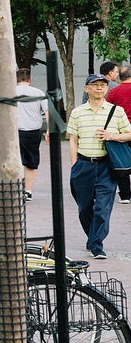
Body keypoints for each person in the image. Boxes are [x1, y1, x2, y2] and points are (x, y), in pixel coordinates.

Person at [68, 73, 131, 259]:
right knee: (84, 208)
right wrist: (74, 165)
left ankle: (97, 245)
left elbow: (129, 134)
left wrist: (112, 136)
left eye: (103, 85)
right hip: (83, 165)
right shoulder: (77, 112)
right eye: (95, 85)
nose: (99, 88)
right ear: (86, 88)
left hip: (107, 167)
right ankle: (92, 237)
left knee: (102, 208)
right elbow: (73, 140)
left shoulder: (116, 111)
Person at [15, 68, 48, 201]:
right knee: (31, 163)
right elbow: (47, 112)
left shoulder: (11, 93)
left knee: (16, 161)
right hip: (33, 132)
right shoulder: (38, 93)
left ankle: (16, 188)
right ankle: (28, 191)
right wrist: (48, 131)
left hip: (15, 131)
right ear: (30, 80)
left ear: (16, 80)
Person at [106, 63, 131, 204]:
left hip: (120, 130)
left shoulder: (113, 92)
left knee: (122, 161)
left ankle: (125, 195)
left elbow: (108, 110)